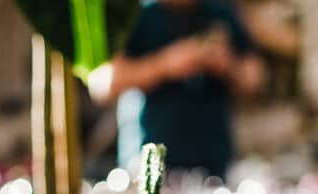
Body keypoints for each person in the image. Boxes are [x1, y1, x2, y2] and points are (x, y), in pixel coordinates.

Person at [90, 0, 264, 177]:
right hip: (149, 162)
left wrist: (227, 65)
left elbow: (255, 78)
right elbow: (104, 84)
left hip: (212, 164)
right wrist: (166, 65)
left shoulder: (220, 12)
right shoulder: (137, 14)